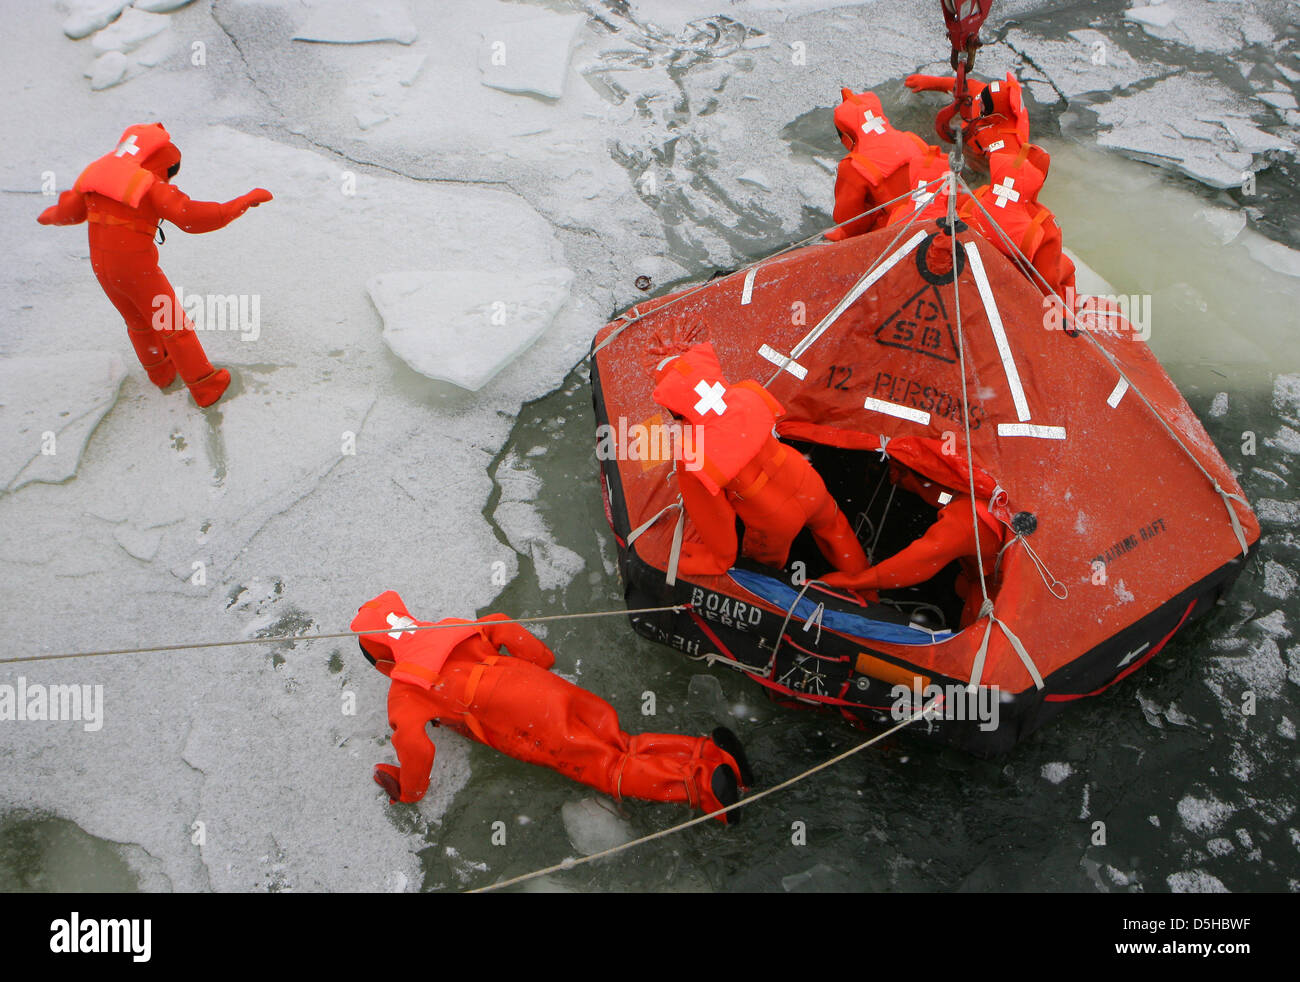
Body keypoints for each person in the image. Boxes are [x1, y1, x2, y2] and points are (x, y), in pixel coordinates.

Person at [353, 591, 754, 823]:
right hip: (541, 687)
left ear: (383, 660)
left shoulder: (406, 691)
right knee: (619, 740)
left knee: (608, 765)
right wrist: (540, 662)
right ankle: (709, 754)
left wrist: (409, 791)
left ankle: (703, 788)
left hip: (525, 721)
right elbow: (501, 622)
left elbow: (416, 746)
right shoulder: (446, 627)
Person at [37, 122, 271, 407]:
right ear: (164, 167)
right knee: (174, 326)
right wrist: (241, 203)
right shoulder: (150, 186)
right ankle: (206, 386)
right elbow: (192, 217)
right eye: (171, 172)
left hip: (102, 268)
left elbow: (69, 213)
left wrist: (48, 215)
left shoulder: (97, 175)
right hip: (137, 270)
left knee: (137, 322)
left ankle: (159, 372)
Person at [651, 341, 869, 576]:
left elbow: (717, 518)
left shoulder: (694, 454)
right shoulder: (749, 392)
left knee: (764, 575)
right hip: (806, 480)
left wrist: (719, 559)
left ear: (674, 407)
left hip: (772, 517)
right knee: (835, 527)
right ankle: (867, 589)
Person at [819, 460, 1003, 627]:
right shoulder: (975, 489)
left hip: (996, 599)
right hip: (987, 585)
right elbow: (943, 497)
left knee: (976, 649)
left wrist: (857, 581)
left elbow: (918, 561)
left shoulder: (965, 519)